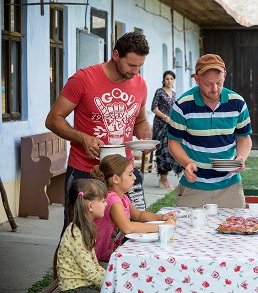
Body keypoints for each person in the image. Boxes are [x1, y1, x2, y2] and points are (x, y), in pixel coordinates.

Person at [45, 32, 152, 232]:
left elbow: (141, 120)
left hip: (123, 173)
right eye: (131, 65)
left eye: (139, 66)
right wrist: (83, 138)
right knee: (77, 232)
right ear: (116, 54)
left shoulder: (140, 84)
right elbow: (53, 120)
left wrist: (145, 136)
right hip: (85, 170)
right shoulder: (83, 79)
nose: (135, 72)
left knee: (126, 232)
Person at [167, 54, 252, 208]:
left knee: (237, 229)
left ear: (224, 76)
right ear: (197, 79)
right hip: (194, 186)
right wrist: (187, 163)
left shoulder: (237, 102)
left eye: (219, 83)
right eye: (208, 84)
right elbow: (173, 142)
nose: (214, 89)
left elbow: (244, 137)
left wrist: (241, 157)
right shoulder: (182, 105)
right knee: (187, 231)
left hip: (230, 187)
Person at [91, 154, 176, 262]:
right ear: (116, 179)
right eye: (130, 174)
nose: (135, 178)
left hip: (107, 257)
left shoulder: (123, 197)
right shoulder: (112, 199)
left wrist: (161, 217)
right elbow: (128, 228)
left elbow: (138, 215)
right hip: (96, 261)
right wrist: (163, 226)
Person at [56, 179, 107, 292]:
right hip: (75, 289)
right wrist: (111, 285)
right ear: (90, 206)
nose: (106, 204)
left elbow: (94, 264)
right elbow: (90, 272)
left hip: (85, 284)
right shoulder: (76, 233)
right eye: (103, 201)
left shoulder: (85, 228)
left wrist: (111, 278)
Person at [151, 70, 183, 189]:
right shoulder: (159, 92)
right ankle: (163, 179)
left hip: (171, 125)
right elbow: (153, 108)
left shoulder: (174, 94)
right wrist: (164, 117)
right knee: (162, 151)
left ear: (174, 80)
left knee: (171, 150)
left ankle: (166, 176)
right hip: (160, 125)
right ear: (163, 80)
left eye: (171, 79)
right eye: (167, 79)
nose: (169, 81)